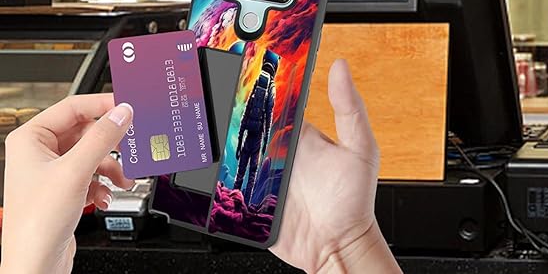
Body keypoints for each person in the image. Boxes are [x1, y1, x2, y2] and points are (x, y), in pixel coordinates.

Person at [0, 59, 402, 274]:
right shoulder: (261, 92)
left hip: (255, 143)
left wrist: (345, 248)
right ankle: (243, 190)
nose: (265, 76)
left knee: (245, 172)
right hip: (251, 141)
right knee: (242, 171)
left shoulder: (265, 92)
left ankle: (245, 192)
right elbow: (254, 123)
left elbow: (259, 124)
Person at [234, 50, 278, 206]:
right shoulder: (271, 87)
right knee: (252, 175)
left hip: (248, 134)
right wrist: (265, 140)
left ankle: (232, 200)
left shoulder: (258, 81)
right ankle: (244, 206)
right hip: (258, 137)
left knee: (240, 173)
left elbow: (247, 110)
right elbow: (269, 115)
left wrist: (240, 140)